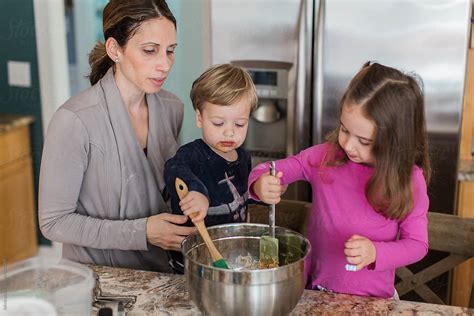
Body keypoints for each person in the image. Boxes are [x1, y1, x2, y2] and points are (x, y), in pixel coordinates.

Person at [248, 62, 431, 298]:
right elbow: (272, 169)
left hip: (373, 302)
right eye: (344, 129)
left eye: (364, 141)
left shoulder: (408, 179)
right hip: (314, 294)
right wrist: (261, 182)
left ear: (395, 142)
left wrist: (376, 252)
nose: (348, 145)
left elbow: (417, 244)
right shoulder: (326, 157)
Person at [38, 0, 196, 272]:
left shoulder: (173, 109)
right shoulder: (74, 121)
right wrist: (142, 231)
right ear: (115, 50)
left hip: (160, 273)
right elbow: (54, 222)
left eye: (170, 51)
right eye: (150, 51)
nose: (164, 64)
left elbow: (169, 187)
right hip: (98, 282)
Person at [164, 63, 257, 273]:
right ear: (199, 118)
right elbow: (172, 170)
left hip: (231, 256)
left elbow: (243, 202)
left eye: (240, 124)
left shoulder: (243, 157)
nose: (229, 133)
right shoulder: (192, 156)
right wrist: (197, 191)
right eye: (218, 123)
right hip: (192, 262)